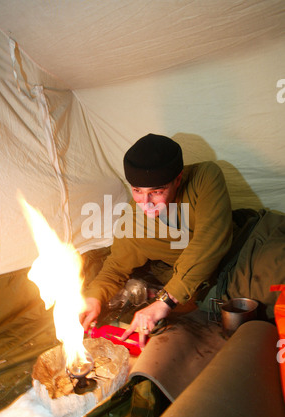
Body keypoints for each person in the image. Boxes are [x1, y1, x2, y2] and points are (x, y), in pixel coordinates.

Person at [79, 133, 233, 346]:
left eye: (156, 192)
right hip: (199, 282)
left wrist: (165, 300)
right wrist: (94, 297)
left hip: (238, 250)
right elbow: (115, 266)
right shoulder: (134, 221)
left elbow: (210, 241)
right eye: (137, 191)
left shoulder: (204, 177)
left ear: (178, 180)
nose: (145, 203)